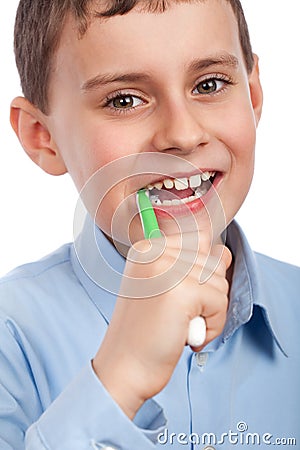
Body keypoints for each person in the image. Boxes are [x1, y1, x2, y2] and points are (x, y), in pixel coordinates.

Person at [0, 0, 299, 449]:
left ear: (253, 96)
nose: (181, 134)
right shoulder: (11, 337)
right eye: (124, 100)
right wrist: (121, 378)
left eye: (210, 84)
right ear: (43, 136)